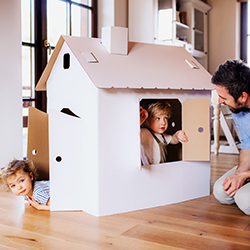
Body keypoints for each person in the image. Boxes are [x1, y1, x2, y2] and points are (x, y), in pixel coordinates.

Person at [212, 59, 250, 215]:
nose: (220, 101)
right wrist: (238, 174)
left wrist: (245, 177)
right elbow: (247, 144)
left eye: (224, 97)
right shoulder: (239, 111)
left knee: (245, 200)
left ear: (242, 97)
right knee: (221, 191)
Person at [140, 100, 188, 165]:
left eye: (165, 118)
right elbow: (135, 135)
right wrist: (140, 120)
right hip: (150, 170)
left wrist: (177, 135)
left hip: (160, 168)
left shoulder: (162, 136)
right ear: (147, 121)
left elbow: (173, 139)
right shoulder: (145, 133)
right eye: (158, 118)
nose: (163, 123)